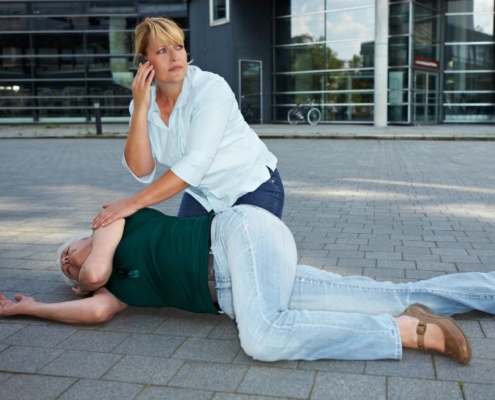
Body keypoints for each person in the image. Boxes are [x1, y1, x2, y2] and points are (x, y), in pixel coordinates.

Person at [1, 205, 494, 364]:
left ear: (82, 236)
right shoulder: (116, 293)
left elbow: (92, 275)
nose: (69, 265)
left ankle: (404, 333)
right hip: (255, 278)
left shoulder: (112, 221)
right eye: (63, 269)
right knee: (388, 292)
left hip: (236, 237)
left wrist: (81, 276)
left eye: (66, 252)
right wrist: (31, 309)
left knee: (262, 339)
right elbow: (94, 310)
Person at [91, 17, 284, 230]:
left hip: (251, 185)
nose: (174, 56)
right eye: (162, 50)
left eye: (178, 47)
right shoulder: (143, 104)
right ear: (145, 61)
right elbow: (141, 170)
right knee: (182, 258)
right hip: (203, 195)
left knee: (242, 259)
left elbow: (195, 162)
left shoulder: (210, 88)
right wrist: (139, 110)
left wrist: (133, 203)